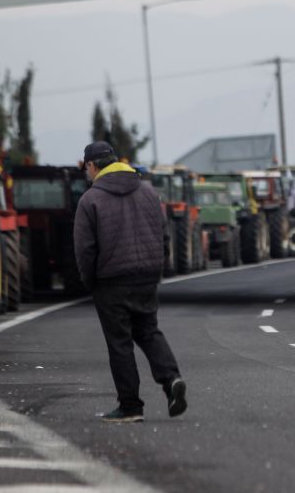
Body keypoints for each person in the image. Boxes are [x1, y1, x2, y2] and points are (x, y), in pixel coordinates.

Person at [73, 141, 187, 423]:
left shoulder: (90, 200)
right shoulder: (148, 191)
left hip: (111, 280)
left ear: (93, 166)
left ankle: (130, 406)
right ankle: (171, 381)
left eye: (86, 167)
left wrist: (89, 282)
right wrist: (158, 266)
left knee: (120, 342)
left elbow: (85, 249)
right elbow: (164, 235)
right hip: (147, 275)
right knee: (149, 330)